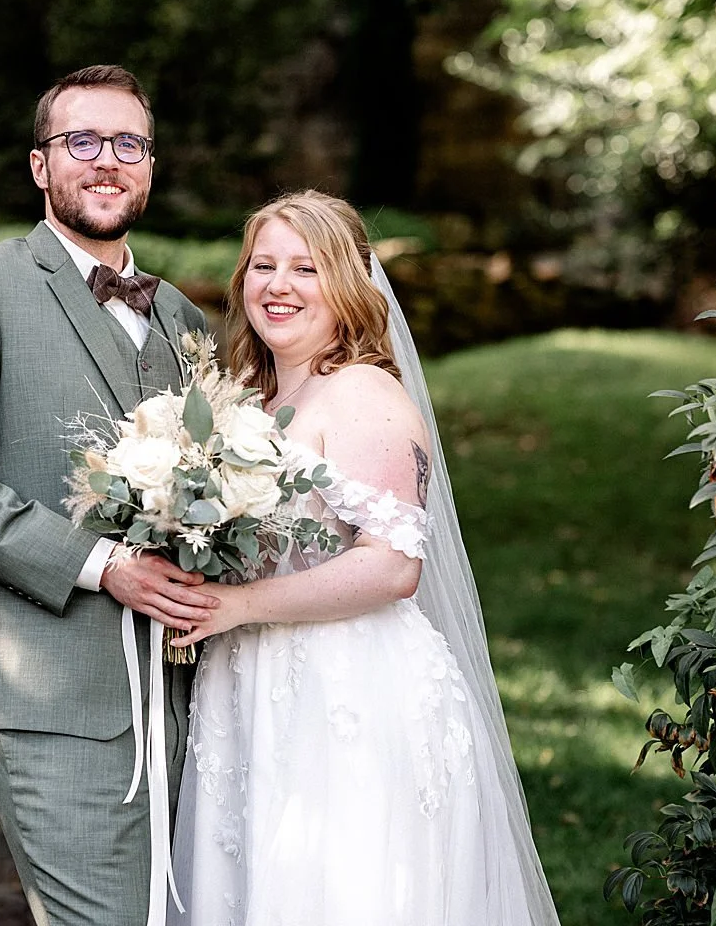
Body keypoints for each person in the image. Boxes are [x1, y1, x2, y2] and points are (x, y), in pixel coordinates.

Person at [167, 190, 561, 925]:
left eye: (306, 269)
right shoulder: (248, 398)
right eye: (263, 265)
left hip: (344, 692)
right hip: (250, 684)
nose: (278, 286)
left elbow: (391, 566)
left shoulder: (363, 392)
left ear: (348, 284)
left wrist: (237, 606)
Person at [0, 65, 215, 926]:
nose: (106, 161)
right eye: (81, 141)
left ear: (150, 164)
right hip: (48, 689)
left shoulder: (186, 320)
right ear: (41, 166)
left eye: (128, 144)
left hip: (185, 696)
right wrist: (102, 565)